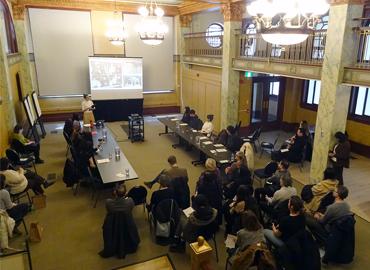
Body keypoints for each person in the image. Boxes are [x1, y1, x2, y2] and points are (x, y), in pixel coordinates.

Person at [195, 158, 223, 225]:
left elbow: (199, 186)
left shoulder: (203, 177)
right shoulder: (218, 172)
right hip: (217, 197)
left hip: (207, 198)